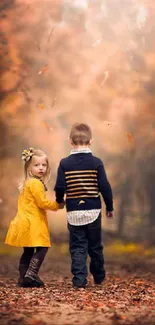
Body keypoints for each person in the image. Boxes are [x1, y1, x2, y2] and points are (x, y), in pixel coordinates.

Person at [54, 123, 114, 289]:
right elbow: (105, 187)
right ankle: (99, 276)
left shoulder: (64, 163)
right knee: (95, 245)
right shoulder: (96, 162)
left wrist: (60, 200)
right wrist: (109, 207)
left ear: (70, 141)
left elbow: (60, 186)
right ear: (91, 141)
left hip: (74, 211)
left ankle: (79, 280)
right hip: (94, 210)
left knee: (78, 246)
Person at [5, 148, 64, 288]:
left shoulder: (28, 182)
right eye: (37, 165)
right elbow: (42, 203)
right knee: (42, 248)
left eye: (44, 165)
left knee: (28, 250)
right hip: (33, 222)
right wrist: (57, 205)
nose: (41, 168)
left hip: (25, 221)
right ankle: (31, 273)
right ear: (29, 167)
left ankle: (22, 278)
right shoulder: (36, 183)